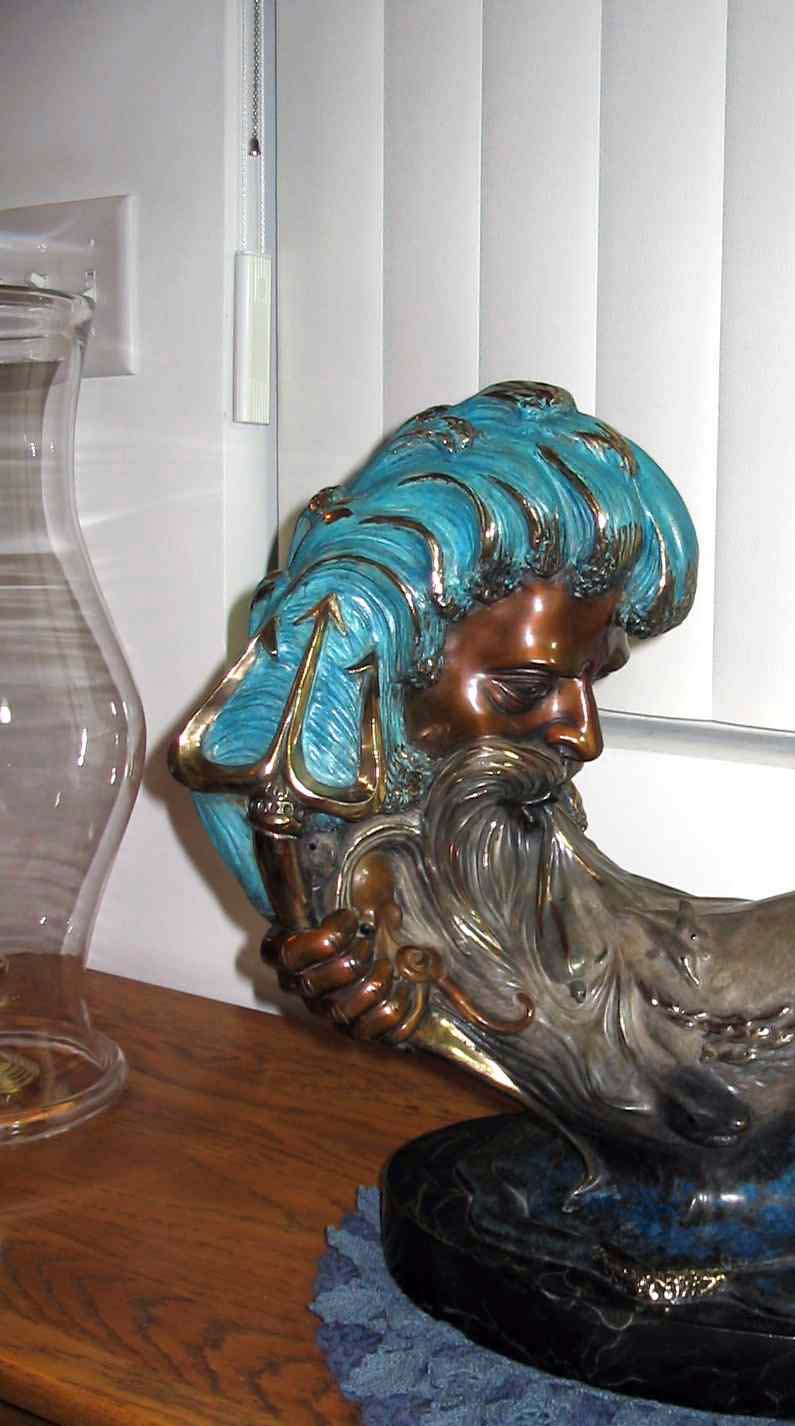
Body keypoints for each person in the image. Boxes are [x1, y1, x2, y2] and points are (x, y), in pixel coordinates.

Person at [181, 379, 704, 1069]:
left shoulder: (532, 859)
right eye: (527, 687)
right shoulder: (307, 813)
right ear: (389, 663)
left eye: (595, 677)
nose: (585, 738)